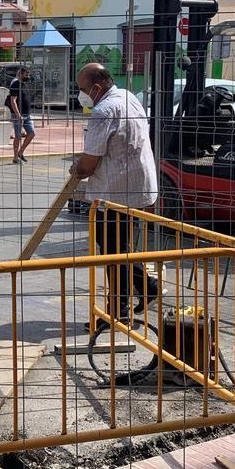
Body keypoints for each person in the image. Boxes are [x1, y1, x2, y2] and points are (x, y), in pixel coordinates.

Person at [70, 63, 159, 322]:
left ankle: (118, 311)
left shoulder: (103, 110)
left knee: (112, 251)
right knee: (117, 247)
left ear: (97, 88)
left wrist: (77, 167)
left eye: (83, 89)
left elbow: (87, 164)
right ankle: (145, 287)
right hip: (136, 186)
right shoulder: (128, 97)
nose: (82, 94)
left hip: (115, 193)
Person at [8, 66, 36, 163]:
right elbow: (13, 101)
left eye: (28, 74)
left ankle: (21, 152)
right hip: (18, 115)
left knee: (31, 133)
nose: (28, 76)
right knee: (18, 136)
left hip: (27, 114)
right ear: (20, 74)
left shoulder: (24, 84)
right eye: (26, 74)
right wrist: (18, 114)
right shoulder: (16, 84)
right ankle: (15, 157)